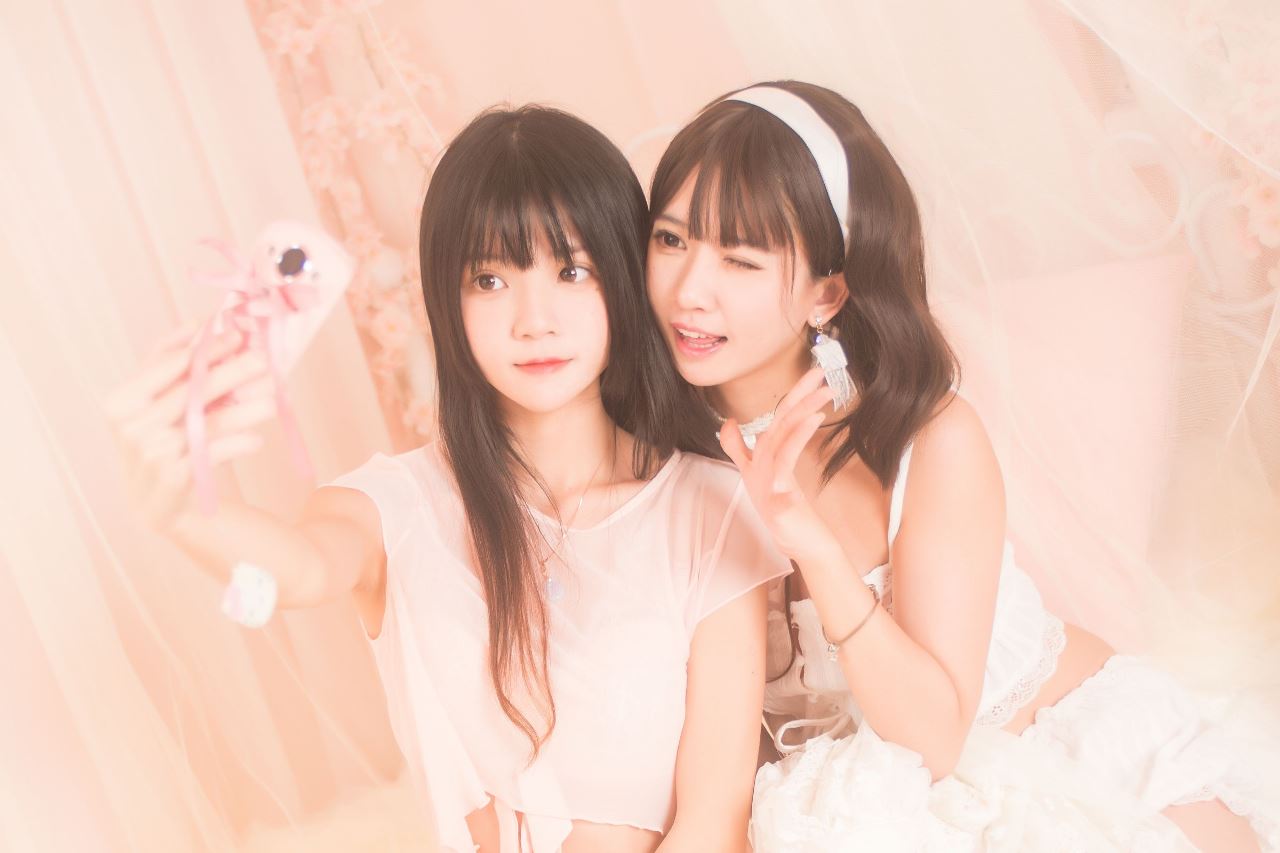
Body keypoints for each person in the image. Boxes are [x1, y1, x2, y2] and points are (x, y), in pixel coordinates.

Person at [107, 105, 791, 853]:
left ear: (623, 281)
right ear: (446, 299)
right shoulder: (398, 507)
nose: (534, 320)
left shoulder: (709, 508)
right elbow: (293, 573)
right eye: (490, 279)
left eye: (571, 271)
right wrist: (181, 508)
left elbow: (715, 818)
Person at [645, 80, 1274, 852]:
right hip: (857, 809)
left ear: (826, 293)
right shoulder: (657, 447)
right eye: (670, 240)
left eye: (739, 260)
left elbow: (932, 740)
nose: (689, 290)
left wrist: (808, 541)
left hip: (1054, 752)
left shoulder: (929, 440)